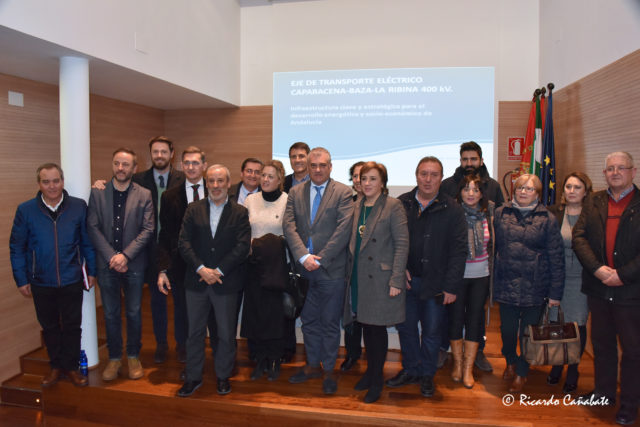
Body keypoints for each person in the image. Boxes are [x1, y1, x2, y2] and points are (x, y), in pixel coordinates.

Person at [93, 136, 185, 363]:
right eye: (155, 152)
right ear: (150, 154)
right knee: (156, 301)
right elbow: (117, 187)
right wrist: (99, 184)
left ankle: (182, 346)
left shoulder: (183, 179)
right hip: (149, 250)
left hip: (177, 249)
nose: (159, 155)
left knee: (181, 301)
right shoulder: (138, 179)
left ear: (172, 153)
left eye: (164, 151)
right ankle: (161, 345)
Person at [9, 163, 97, 388]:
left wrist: (92, 271)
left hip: (71, 278)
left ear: (62, 181)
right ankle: (56, 366)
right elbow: (17, 247)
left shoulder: (78, 206)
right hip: (41, 280)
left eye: (56, 181)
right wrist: (21, 279)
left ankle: (71, 367)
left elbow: (87, 242)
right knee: (49, 327)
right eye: (46, 182)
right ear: (39, 184)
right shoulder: (26, 210)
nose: (52, 186)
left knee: (72, 326)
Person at [386, 156, 467, 398]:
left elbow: (459, 251)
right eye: (424, 174)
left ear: (441, 178)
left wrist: (451, 286)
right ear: (416, 175)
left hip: (437, 283)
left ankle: (427, 375)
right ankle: (411, 370)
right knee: (406, 329)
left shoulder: (453, 208)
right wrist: (398, 269)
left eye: (434, 174)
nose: (428, 179)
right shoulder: (401, 204)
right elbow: (390, 241)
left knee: (432, 333)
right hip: (407, 281)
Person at [573, 152, 640, 426]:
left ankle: (629, 404)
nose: (615, 172)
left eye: (621, 168)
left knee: (633, 351)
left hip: (631, 291)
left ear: (633, 171)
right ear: (604, 174)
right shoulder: (594, 201)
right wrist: (598, 269)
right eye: (610, 168)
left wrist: (622, 275)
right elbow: (579, 237)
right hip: (599, 288)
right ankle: (603, 394)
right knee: (602, 345)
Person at [283, 147, 353, 395]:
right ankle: (313, 365)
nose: (318, 169)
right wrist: (303, 256)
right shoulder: (295, 192)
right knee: (309, 321)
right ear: (307, 167)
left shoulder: (343, 192)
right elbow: (288, 225)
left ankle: (329, 370)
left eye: (323, 165)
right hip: (304, 270)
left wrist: (320, 259)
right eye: (313, 165)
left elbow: (344, 230)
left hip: (331, 270)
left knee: (330, 323)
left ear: (330, 167)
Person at [176, 165, 251, 397]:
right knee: (194, 333)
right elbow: (183, 243)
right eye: (211, 181)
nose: (216, 185)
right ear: (206, 183)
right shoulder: (193, 209)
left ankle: (222, 376)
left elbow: (242, 247)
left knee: (226, 334)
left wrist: (218, 271)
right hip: (196, 281)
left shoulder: (240, 212)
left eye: (220, 181)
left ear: (228, 183)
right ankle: (193, 377)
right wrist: (201, 268)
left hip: (225, 282)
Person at [343, 161, 409, 403]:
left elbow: (402, 244)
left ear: (382, 182)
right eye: (363, 178)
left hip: (381, 279)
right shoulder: (357, 205)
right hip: (358, 277)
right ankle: (370, 373)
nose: (367, 183)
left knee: (376, 329)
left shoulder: (393, 206)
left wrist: (396, 279)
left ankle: (377, 379)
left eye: (372, 178)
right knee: (365, 327)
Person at [87, 148, 155, 381]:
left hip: (133, 264)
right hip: (107, 265)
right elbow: (92, 227)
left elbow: (148, 229)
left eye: (126, 164)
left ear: (134, 168)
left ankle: (133, 355)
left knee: (134, 312)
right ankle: (114, 358)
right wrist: (112, 257)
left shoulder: (144, 194)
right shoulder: (98, 193)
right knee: (110, 313)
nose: (120, 168)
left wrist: (125, 256)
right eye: (117, 163)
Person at [493, 173, 564, 393]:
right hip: (506, 283)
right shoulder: (500, 213)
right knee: (507, 331)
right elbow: (493, 248)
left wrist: (555, 293)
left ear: (538, 194)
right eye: (520, 188)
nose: (523, 192)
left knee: (528, 334)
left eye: (529, 189)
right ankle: (510, 361)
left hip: (535, 286)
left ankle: (522, 372)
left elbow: (556, 257)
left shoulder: (548, 218)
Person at [440, 140, 504, 372]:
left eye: (473, 159)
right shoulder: (448, 185)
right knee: (452, 314)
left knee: (477, 315)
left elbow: (499, 224)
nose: (469, 163)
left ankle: (478, 353)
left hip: (481, 270)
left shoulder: (493, 186)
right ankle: (445, 350)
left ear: (481, 160)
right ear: (460, 161)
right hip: (456, 269)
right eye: (465, 159)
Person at [157, 147, 212, 365]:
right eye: (186, 163)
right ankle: (184, 351)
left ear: (204, 166)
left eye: (195, 163)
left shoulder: (216, 190)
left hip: (210, 265)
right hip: (180, 265)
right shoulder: (169, 196)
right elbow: (164, 234)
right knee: (182, 312)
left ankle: (214, 352)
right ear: (181, 165)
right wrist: (163, 268)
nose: (190, 167)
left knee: (212, 312)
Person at [241, 160, 289, 381]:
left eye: (271, 176)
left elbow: (289, 234)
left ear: (280, 179)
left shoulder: (287, 201)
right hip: (254, 267)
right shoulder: (250, 200)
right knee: (256, 314)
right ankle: (260, 359)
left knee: (275, 316)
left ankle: (275, 359)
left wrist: (266, 244)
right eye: (263, 175)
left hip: (277, 268)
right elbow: (243, 232)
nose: (266, 179)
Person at [546, 172, 592, 394]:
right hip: (557, 277)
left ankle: (573, 369)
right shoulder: (553, 212)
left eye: (577, 187)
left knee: (577, 325)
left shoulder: (592, 215)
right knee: (556, 324)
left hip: (581, 279)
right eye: (568, 186)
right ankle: (557, 364)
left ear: (586, 191)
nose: (572, 191)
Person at [449, 174, 495, 389]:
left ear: (482, 193)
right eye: (466, 189)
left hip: (481, 275)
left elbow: (493, 245)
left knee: (475, 321)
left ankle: (468, 368)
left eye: (475, 190)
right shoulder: (453, 213)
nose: (470, 193)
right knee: (455, 319)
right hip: (457, 276)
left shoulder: (489, 213)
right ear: (460, 192)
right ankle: (457, 364)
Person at [341, 160, 366, 372]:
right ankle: (352, 353)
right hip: (350, 269)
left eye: (364, 176)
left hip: (373, 271)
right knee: (351, 314)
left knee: (372, 317)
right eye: (356, 176)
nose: (360, 180)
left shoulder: (387, 205)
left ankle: (373, 358)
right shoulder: (346, 204)